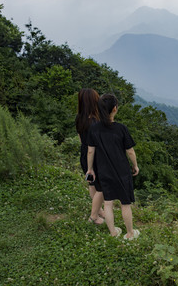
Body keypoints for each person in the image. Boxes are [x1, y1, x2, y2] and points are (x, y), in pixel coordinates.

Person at [86, 94, 140, 240]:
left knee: (108, 203)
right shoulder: (121, 129)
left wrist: (90, 169)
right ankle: (129, 233)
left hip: (104, 171)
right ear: (115, 109)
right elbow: (130, 151)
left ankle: (113, 233)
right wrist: (135, 165)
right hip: (122, 171)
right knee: (125, 204)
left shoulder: (94, 129)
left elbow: (90, 150)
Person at [75, 88, 105, 224]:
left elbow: (82, 140)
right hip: (95, 158)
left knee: (92, 184)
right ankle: (94, 217)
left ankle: (98, 210)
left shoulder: (79, 118)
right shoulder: (96, 122)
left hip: (84, 155)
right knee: (102, 187)